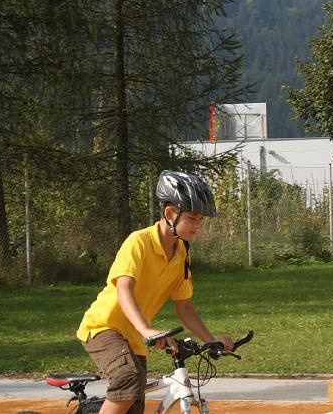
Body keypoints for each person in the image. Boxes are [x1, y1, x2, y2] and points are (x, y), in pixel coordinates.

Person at [76, 170, 234, 414]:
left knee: (131, 404)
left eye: (201, 220)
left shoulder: (182, 253)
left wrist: (210, 340)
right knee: (128, 381)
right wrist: (147, 330)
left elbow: (184, 306)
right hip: (103, 328)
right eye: (192, 218)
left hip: (135, 338)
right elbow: (124, 290)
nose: (197, 225)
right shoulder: (139, 242)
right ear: (170, 214)